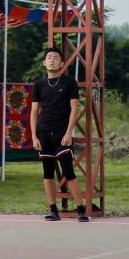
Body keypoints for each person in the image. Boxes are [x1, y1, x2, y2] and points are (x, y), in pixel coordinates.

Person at [30, 47, 89, 222]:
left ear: (62, 63)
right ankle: (53, 210)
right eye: (49, 58)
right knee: (47, 172)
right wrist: (34, 136)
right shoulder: (39, 85)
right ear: (44, 63)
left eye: (55, 58)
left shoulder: (69, 82)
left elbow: (74, 109)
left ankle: (81, 210)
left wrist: (69, 132)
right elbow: (34, 112)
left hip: (62, 134)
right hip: (43, 133)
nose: (52, 60)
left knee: (68, 171)